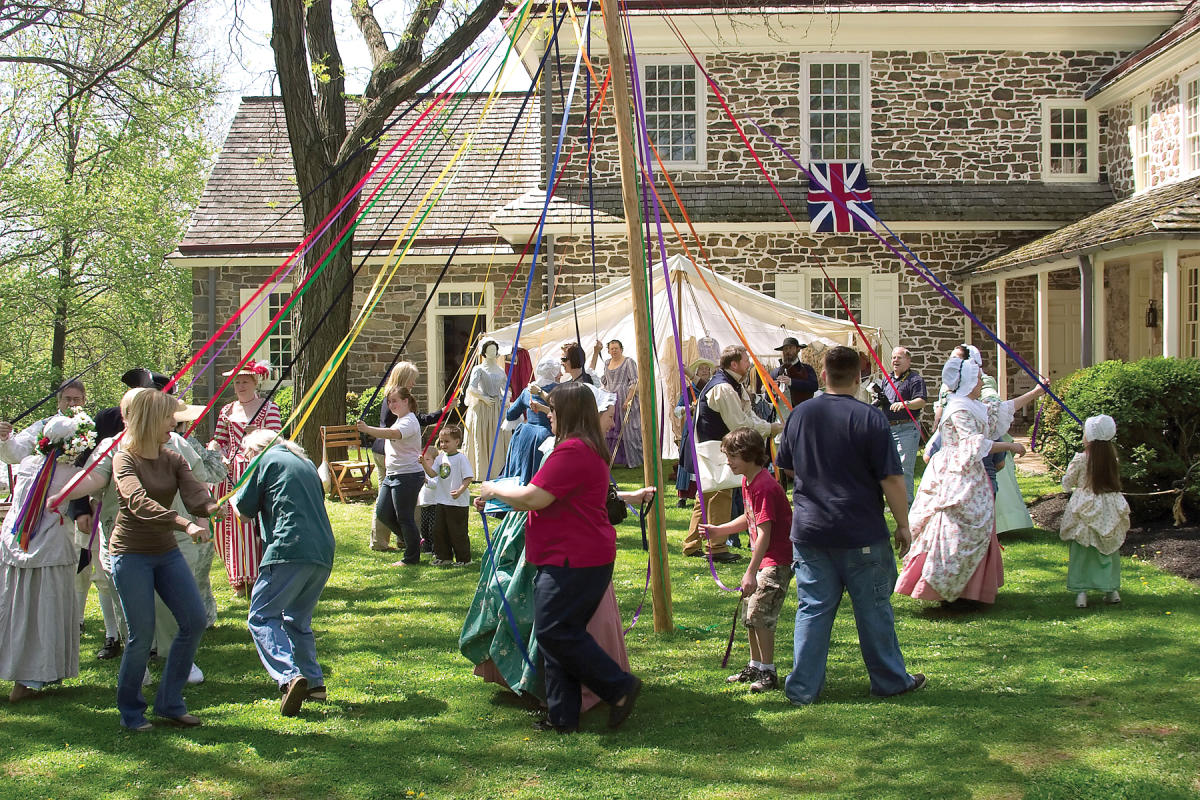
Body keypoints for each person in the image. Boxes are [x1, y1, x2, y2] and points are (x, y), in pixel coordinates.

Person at [475, 383, 654, 733]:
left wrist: (492, 488)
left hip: (574, 558)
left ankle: (618, 686)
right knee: (557, 634)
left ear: (569, 413)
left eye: (554, 410)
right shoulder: (580, 448)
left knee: (557, 633)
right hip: (574, 555)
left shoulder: (572, 451)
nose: (549, 415)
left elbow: (533, 498)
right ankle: (563, 717)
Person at [776, 345, 924, 705]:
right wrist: (903, 524)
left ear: (823, 375)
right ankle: (889, 679)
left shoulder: (799, 416)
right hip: (860, 529)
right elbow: (892, 478)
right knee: (873, 608)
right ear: (859, 378)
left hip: (812, 529)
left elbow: (787, 465)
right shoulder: (871, 418)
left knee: (813, 608)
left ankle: (802, 688)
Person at [73, 388, 219, 730]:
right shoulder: (124, 458)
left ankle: (169, 702)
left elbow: (195, 491)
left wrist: (211, 508)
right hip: (131, 553)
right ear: (151, 420)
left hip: (165, 551)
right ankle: (132, 712)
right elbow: (137, 502)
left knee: (194, 620)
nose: (175, 421)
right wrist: (185, 523)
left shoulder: (173, 457)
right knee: (142, 633)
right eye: (169, 416)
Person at [895, 357, 1043, 608]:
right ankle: (950, 591)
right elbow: (972, 444)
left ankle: (969, 591)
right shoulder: (960, 409)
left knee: (977, 525)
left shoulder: (972, 405)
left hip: (971, 473)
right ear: (966, 382)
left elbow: (1001, 410)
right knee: (956, 527)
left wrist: (1036, 392)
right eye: (977, 379)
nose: (981, 383)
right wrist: (1010, 445)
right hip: (955, 474)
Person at [233, 429, 335, 716]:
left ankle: (289, 677)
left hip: (289, 547)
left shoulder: (264, 460)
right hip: (322, 549)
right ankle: (315, 685)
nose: (248, 458)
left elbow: (243, 510)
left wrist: (227, 498)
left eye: (248, 454)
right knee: (296, 619)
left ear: (257, 449)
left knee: (261, 616)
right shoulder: (302, 461)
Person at [1, 409, 91, 703]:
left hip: (17, 547)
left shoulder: (27, 464)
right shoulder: (75, 475)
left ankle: (23, 673)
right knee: (43, 612)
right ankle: (30, 678)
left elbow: (11, 453)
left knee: (15, 610)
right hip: (49, 552)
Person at [699, 427, 793, 693]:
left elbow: (764, 532)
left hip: (776, 561)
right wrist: (721, 530)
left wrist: (751, 571)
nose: (728, 461)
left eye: (732, 456)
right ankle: (754, 665)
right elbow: (750, 518)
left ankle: (768, 671)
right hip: (764, 560)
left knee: (761, 614)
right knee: (750, 614)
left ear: (749, 455)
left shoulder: (764, 485)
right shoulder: (748, 480)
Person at [682, 345, 782, 564]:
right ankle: (716, 547)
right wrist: (770, 429)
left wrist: (767, 426)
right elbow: (739, 423)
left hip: (713, 444)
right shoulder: (724, 388)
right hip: (714, 446)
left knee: (706, 494)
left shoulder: (731, 385)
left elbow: (747, 415)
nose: (749, 363)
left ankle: (692, 543)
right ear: (734, 364)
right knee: (721, 493)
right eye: (746, 360)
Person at [208, 360, 282, 596]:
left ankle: (260, 574)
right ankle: (239, 577)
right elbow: (218, 440)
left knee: (254, 523)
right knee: (231, 524)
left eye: (244, 381)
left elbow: (275, 439)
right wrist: (219, 455)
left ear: (255, 382)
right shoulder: (227, 410)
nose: (240, 386)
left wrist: (257, 435)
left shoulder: (268, 408)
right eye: (237, 382)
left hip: (257, 470)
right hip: (229, 473)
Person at [368, 362, 441, 552]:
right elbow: (394, 428)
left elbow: (417, 420)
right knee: (391, 501)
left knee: (398, 501)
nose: (413, 384)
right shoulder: (395, 400)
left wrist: (441, 413)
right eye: (412, 380)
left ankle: (404, 540)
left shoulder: (396, 399)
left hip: (392, 454)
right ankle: (387, 541)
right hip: (390, 455)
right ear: (404, 378)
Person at [1059, 414, 1130, 609]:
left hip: (1086, 507)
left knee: (1083, 548)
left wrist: (1068, 480)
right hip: (1109, 505)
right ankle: (1111, 589)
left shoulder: (1081, 459)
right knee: (1108, 546)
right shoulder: (1112, 459)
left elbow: (1067, 483)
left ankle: (1081, 592)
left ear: (1088, 437)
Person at [358, 386, 425, 566]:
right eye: (389, 401)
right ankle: (414, 541)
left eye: (395, 400)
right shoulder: (399, 419)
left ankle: (411, 557)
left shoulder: (409, 421)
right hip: (393, 474)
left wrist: (367, 429)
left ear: (406, 401)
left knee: (404, 516)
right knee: (383, 513)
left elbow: (392, 434)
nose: (391, 404)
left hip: (408, 475)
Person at [420, 425, 474, 566]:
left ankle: (464, 559)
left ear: (457, 442)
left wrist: (460, 490)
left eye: (447, 441)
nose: (443, 444)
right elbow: (433, 474)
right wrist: (424, 465)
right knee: (439, 531)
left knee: (457, 532)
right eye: (441, 441)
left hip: (457, 503)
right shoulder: (440, 458)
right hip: (442, 500)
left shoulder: (461, 458)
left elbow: (468, 478)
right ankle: (444, 557)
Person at [879, 347, 927, 505]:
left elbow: (921, 401)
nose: (895, 361)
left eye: (899, 357)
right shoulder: (887, 379)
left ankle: (907, 506)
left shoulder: (915, 379)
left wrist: (905, 404)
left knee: (904, 469)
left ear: (908, 360)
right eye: (893, 358)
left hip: (906, 428)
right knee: (886, 467)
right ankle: (891, 502)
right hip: (888, 428)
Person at [590, 339, 643, 468]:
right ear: (608, 350)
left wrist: (628, 399)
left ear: (621, 349)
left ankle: (632, 460)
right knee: (610, 428)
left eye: (616, 348)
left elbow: (634, 382)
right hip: (611, 398)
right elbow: (605, 380)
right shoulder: (607, 362)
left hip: (624, 396)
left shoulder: (629, 362)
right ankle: (612, 459)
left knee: (627, 429)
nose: (614, 351)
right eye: (611, 348)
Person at [463, 339, 510, 481]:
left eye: (494, 349)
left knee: (496, 436)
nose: (492, 352)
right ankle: (481, 471)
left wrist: (506, 398)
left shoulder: (501, 370)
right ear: (484, 352)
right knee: (482, 437)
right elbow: (471, 387)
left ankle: (497, 470)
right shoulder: (479, 369)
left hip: (496, 408)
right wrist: (483, 398)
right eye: (489, 350)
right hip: (483, 408)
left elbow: (505, 388)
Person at [673, 358, 714, 507]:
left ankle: (704, 493)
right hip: (691, 428)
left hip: (707, 429)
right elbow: (677, 411)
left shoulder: (712, 388)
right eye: (701, 368)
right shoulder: (688, 390)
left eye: (707, 369)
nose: (704, 371)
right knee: (687, 460)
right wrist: (687, 408)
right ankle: (683, 496)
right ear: (695, 372)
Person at [771, 336, 818, 409]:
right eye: (785, 349)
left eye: (791, 348)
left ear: (798, 349)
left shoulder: (807, 369)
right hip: (782, 415)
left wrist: (792, 382)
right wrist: (774, 390)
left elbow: (814, 386)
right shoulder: (776, 372)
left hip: (803, 412)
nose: (788, 351)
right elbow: (769, 397)